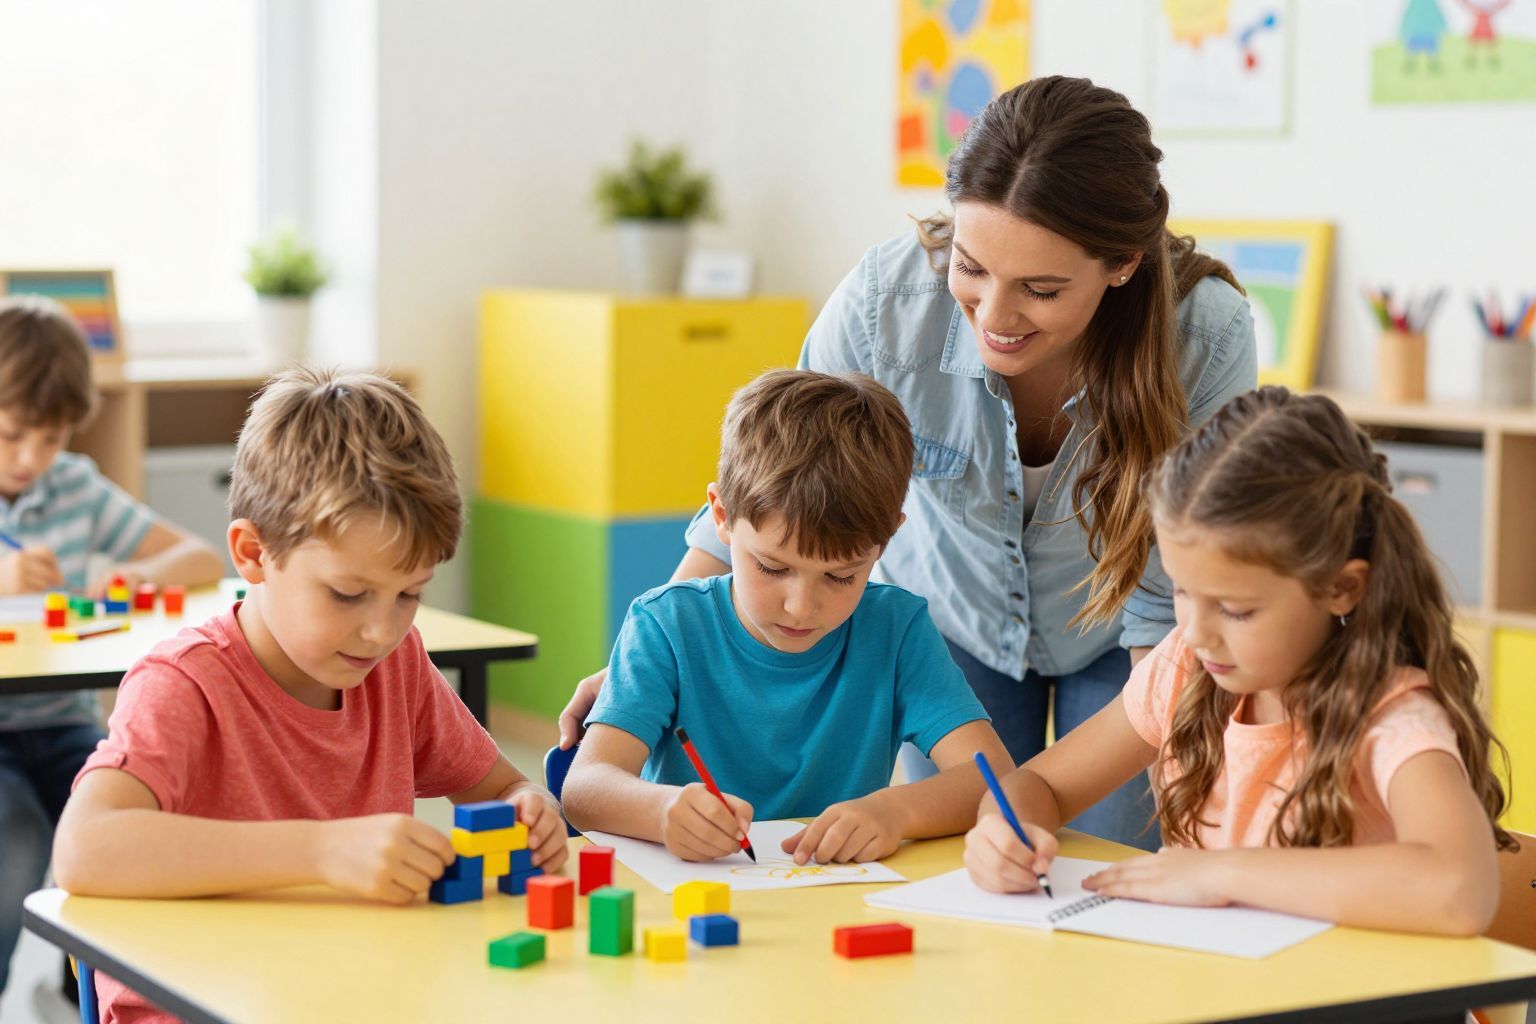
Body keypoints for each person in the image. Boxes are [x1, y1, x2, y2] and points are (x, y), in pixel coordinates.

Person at [559, 76, 1257, 851]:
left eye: (1040, 289)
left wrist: (1178, 762)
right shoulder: (881, 303)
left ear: (1121, 262)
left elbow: (1171, 591)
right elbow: (772, 487)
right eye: (971, 267)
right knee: (962, 864)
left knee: (1110, 857)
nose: (995, 316)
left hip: (1119, 638)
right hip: (956, 620)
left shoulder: (1206, 338)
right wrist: (649, 663)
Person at [52, 369, 566, 1023]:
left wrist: (530, 808)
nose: (382, 631)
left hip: (346, 992)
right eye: (348, 594)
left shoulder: (396, 666)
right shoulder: (184, 684)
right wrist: (321, 852)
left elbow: (499, 788)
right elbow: (85, 848)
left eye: (409, 594)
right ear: (253, 553)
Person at [964, 387, 1514, 937]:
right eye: (1182, 591)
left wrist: (1221, 873)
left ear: (1342, 588)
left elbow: (1460, 890)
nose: (1196, 633)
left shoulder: (1391, 718)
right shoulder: (1184, 667)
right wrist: (1003, 832)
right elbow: (1042, 785)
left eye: (1235, 610)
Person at [562, 369, 1011, 864]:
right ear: (721, 516)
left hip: (837, 896)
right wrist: (661, 810)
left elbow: (993, 779)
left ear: (886, 539)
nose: (801, 607)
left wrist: (896, 812)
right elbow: (583, 789)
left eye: (841, 576)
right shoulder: (665, 626)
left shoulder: (896, 630)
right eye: (772, 567)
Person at [0, 295, 223, 1008]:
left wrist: (135, 575)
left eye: (51, 439)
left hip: (65, 721)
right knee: (14, 840)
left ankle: (89, 992)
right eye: (11, 436)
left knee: (135, 830)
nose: (30, 459)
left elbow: (199, 556)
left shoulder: (74, 485)